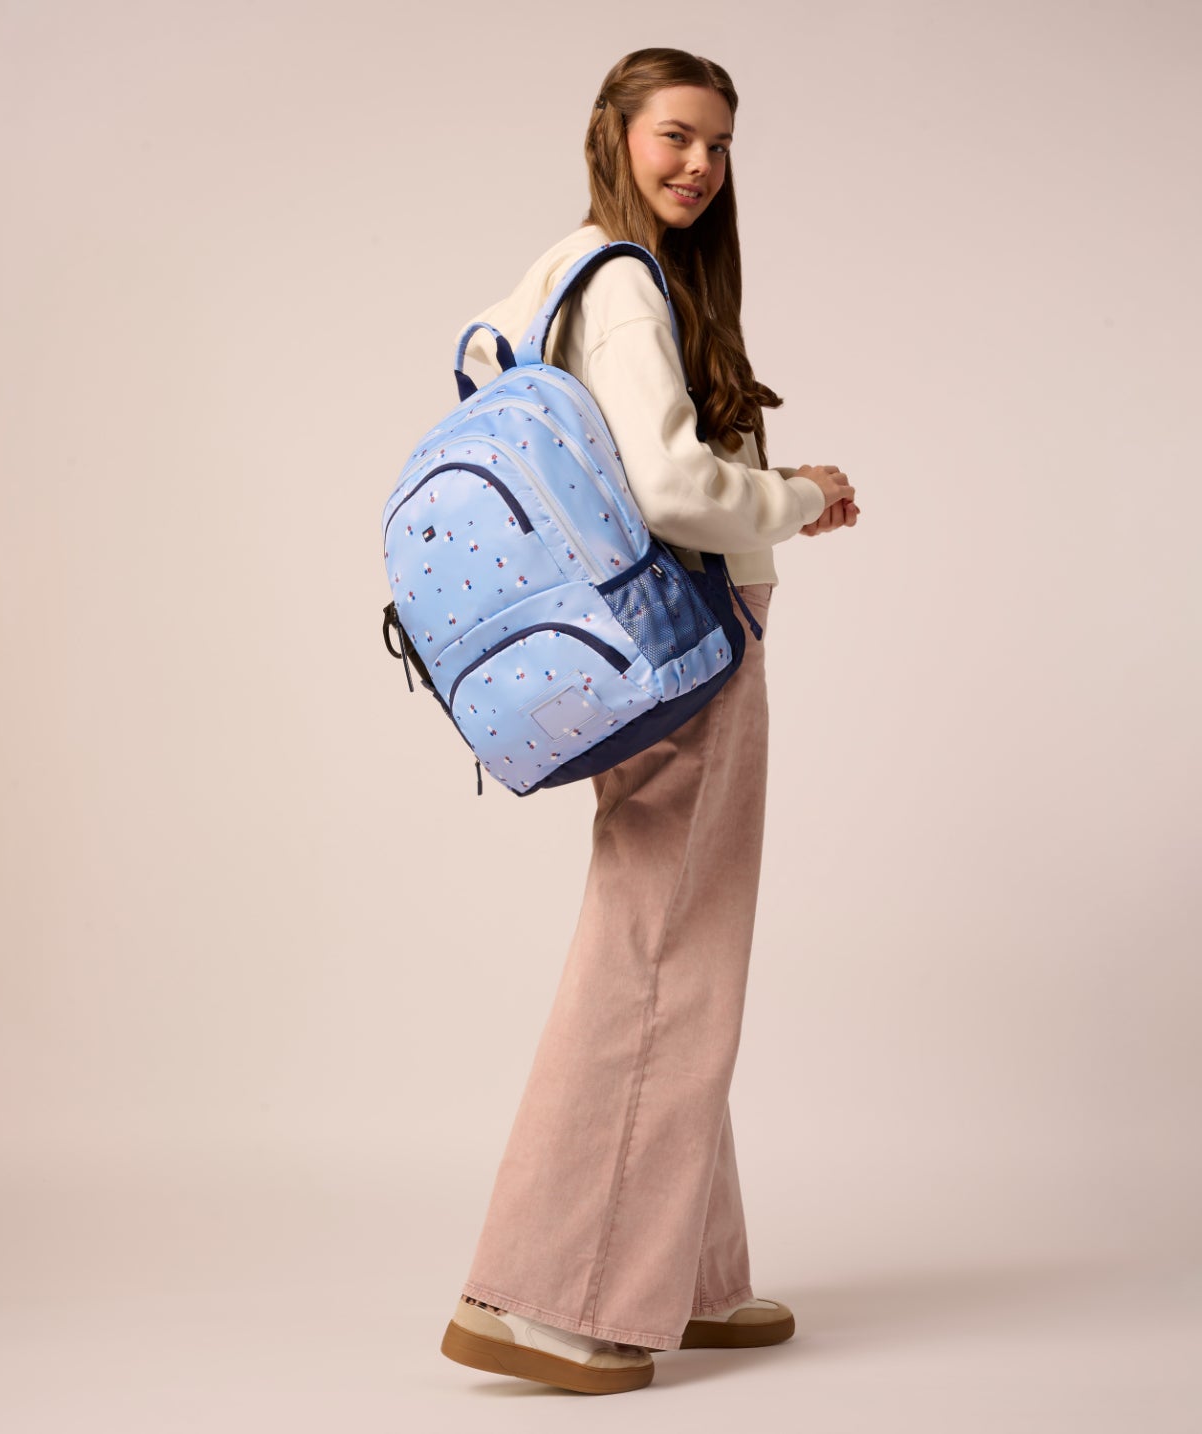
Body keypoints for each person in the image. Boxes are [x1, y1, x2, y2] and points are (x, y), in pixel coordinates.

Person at [438, 46, 857, 1396]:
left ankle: (687, 1274)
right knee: (661, 952)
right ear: (614, 132)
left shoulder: (559, 272)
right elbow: (672, 490)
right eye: (676, 134)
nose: (700, 164)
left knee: (677, 942)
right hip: (687, 638)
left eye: (719, 144)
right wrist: (797, 495)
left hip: (616, 651)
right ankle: (548, 1297)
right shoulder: (624, 286)